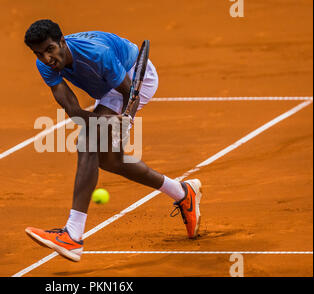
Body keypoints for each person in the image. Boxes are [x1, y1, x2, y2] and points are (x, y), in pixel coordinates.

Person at [23, 19, 202, 262]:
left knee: (87, 143)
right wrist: (106, 124)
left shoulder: (97, 55)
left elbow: (130, 92)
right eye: (39, 53)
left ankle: (73, 235)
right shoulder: (44, 64)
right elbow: (75, 113)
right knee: (110, 161)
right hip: (109, 87)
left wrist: (124, 122)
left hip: (133, 78)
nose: (46, 58)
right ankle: (182, 192)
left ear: (62, 42)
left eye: (50, 49)